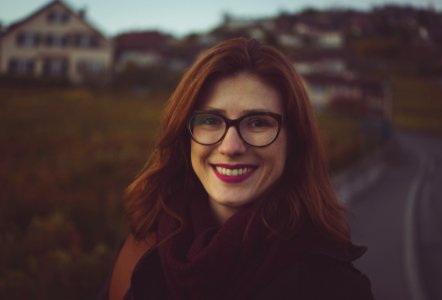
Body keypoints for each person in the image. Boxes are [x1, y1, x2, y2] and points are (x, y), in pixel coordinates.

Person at [105, 37, 374, 300]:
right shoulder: (141, 250)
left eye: (258, 123)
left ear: (294, 140)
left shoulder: (336, 287)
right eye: (210, 120)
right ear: (184, 135)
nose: (230, 147)